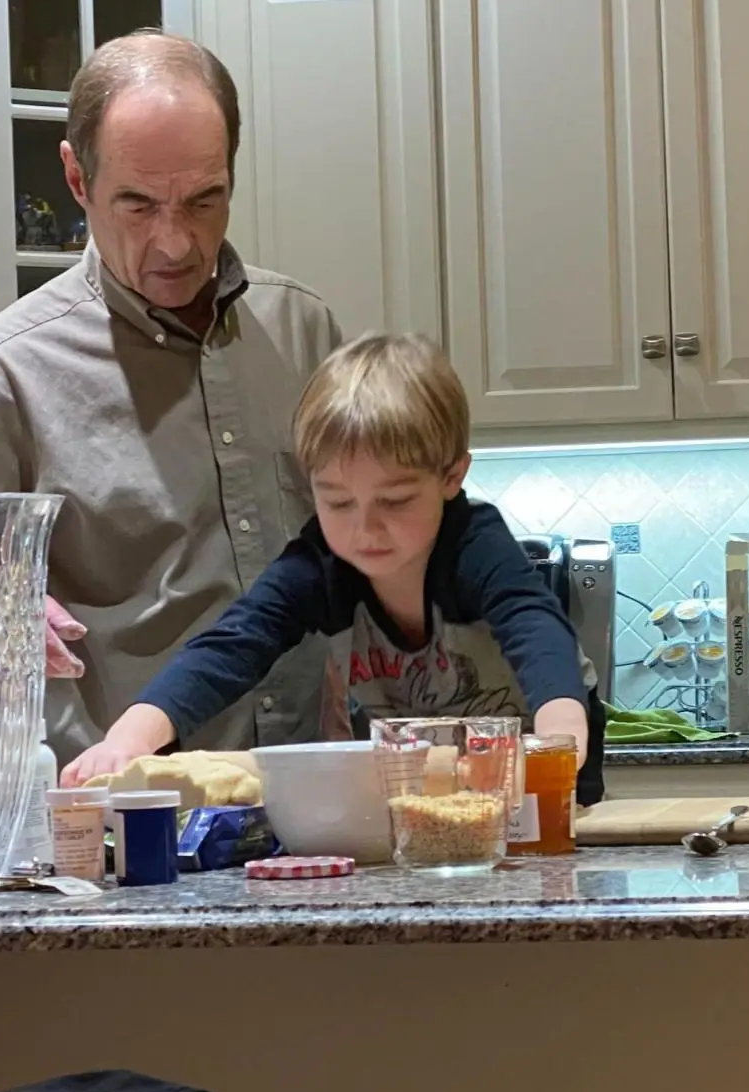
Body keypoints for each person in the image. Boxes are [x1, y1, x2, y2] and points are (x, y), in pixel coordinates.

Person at [0, 32, 344, 762]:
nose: (175, 244)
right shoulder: (1, 378)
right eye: (137, 205)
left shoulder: (304, 332)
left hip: (315, 808)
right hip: (115, 831)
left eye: (206, 200)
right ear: (77, 179)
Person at [62, 333, 605, 803]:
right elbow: (235, 643)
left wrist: (558, 744)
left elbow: (534, 627)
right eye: (338, 502)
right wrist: (129, 739)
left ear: (451, 475)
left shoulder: (475, 544)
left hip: (538, 768)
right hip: (421, 778)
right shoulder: (322, 563)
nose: (365, 529)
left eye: (394, 501)